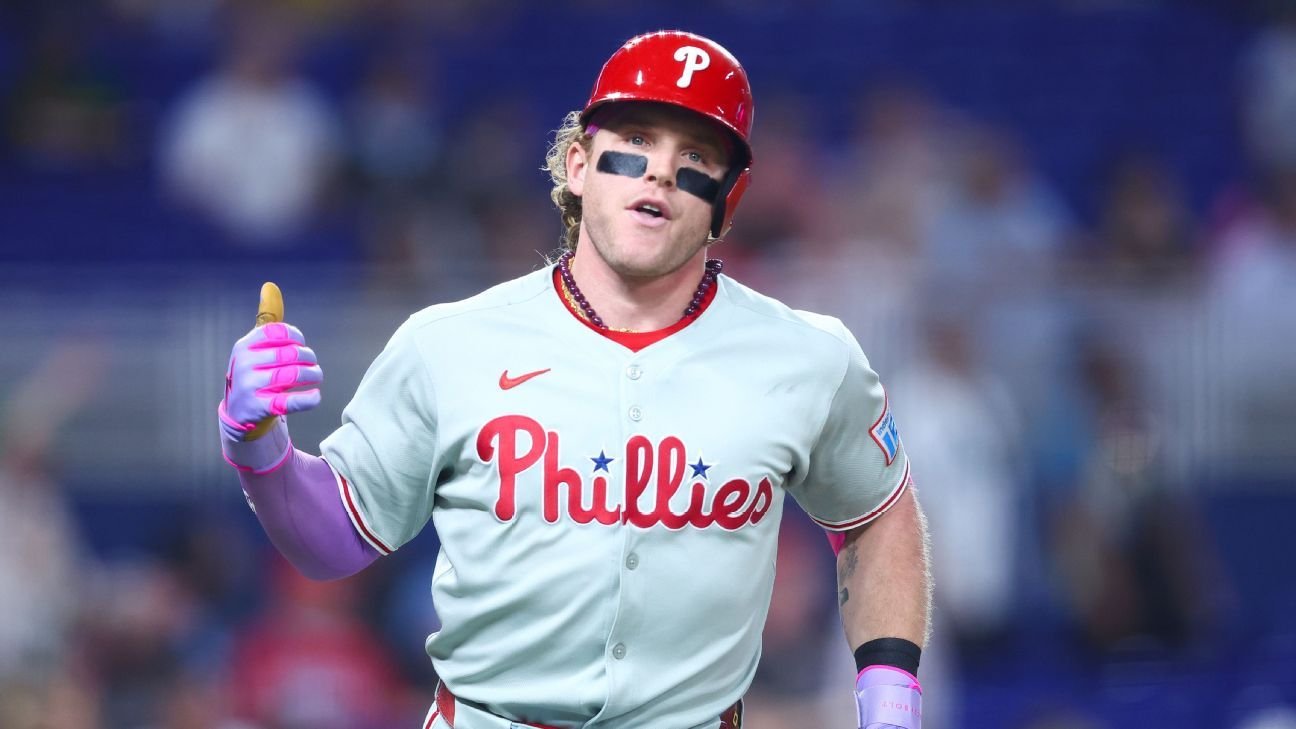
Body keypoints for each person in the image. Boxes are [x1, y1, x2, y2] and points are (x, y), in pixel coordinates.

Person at [217, 30, 931, 729]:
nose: (660, 171)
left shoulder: (807, 357)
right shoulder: (449, 345)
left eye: (695, 156)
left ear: (728, 200)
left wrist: (890, 689)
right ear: (578, 164)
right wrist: (256, 444)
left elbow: (876, 512)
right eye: (637, 141)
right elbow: (334, 541)